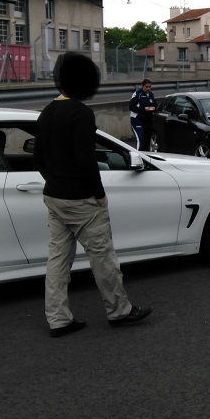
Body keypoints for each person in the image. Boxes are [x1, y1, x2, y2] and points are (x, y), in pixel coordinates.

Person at [34, 52, 153, 338]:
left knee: (58, 260)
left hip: (54, 196)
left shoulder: (46, 112)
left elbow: (38, 159)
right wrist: (99, 195)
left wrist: (56, 182)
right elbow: (87, 161)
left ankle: (58, 318)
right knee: (103, 257)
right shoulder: (81, 114)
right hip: (82, 200)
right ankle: (119, 310)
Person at [129, 79, 156, 151]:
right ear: (142, 86)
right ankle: (137, 156)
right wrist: (144, 109)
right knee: (140, 140)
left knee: (147, 141)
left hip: (147, 121)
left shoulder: (151, 95)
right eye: (146, 87)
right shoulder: (137, 94)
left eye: (150, 87)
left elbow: (154, 105)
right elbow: (131, 107)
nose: (148, 89)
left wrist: (153, 109)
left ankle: (146, 158)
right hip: (137, 120)